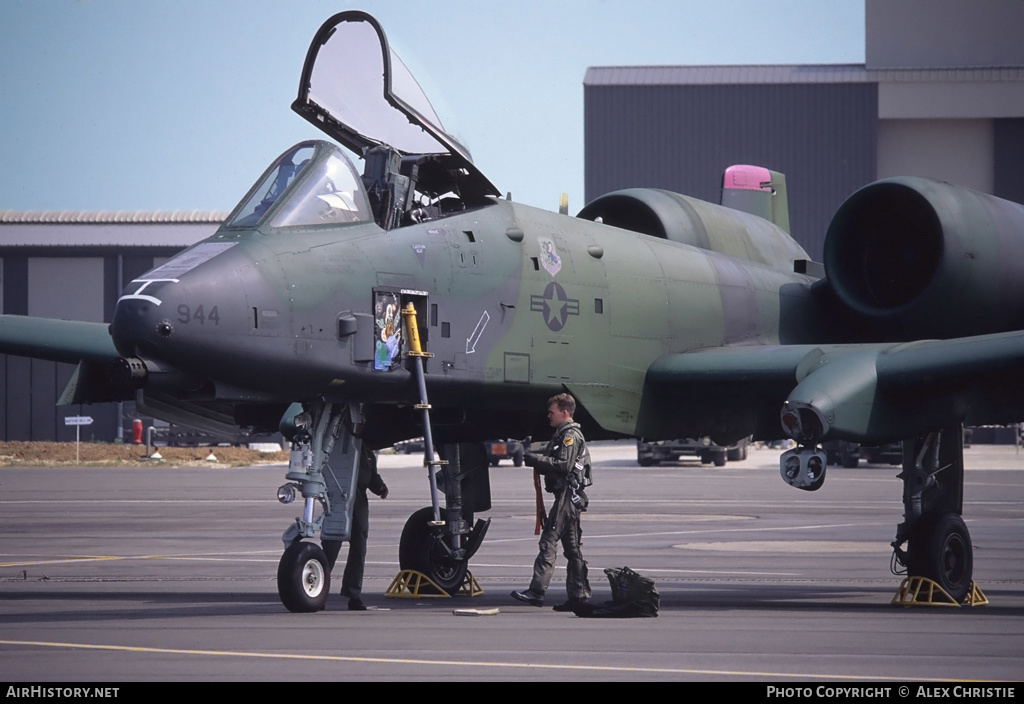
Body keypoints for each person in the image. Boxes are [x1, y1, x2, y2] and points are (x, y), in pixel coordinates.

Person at [511, 393, 592, 611]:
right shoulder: (564, 435)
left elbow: (564, 464)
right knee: (573, 549)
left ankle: (537, 591)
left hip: (567, 495)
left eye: (552, 412)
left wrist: (536, 460)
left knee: (548, 541)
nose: (548, 416)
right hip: (568, 496)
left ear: (564, 412)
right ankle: (579, 596)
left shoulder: (570, 436)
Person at [323, 429, 388, 611]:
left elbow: (371, 475)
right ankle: (319, 591)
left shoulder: (365, 451)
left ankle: (354, 595)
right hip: (338, 499)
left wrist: (380, 487)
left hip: (358, 502)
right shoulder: (336, 447)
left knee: (359, 548)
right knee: (331, 547)